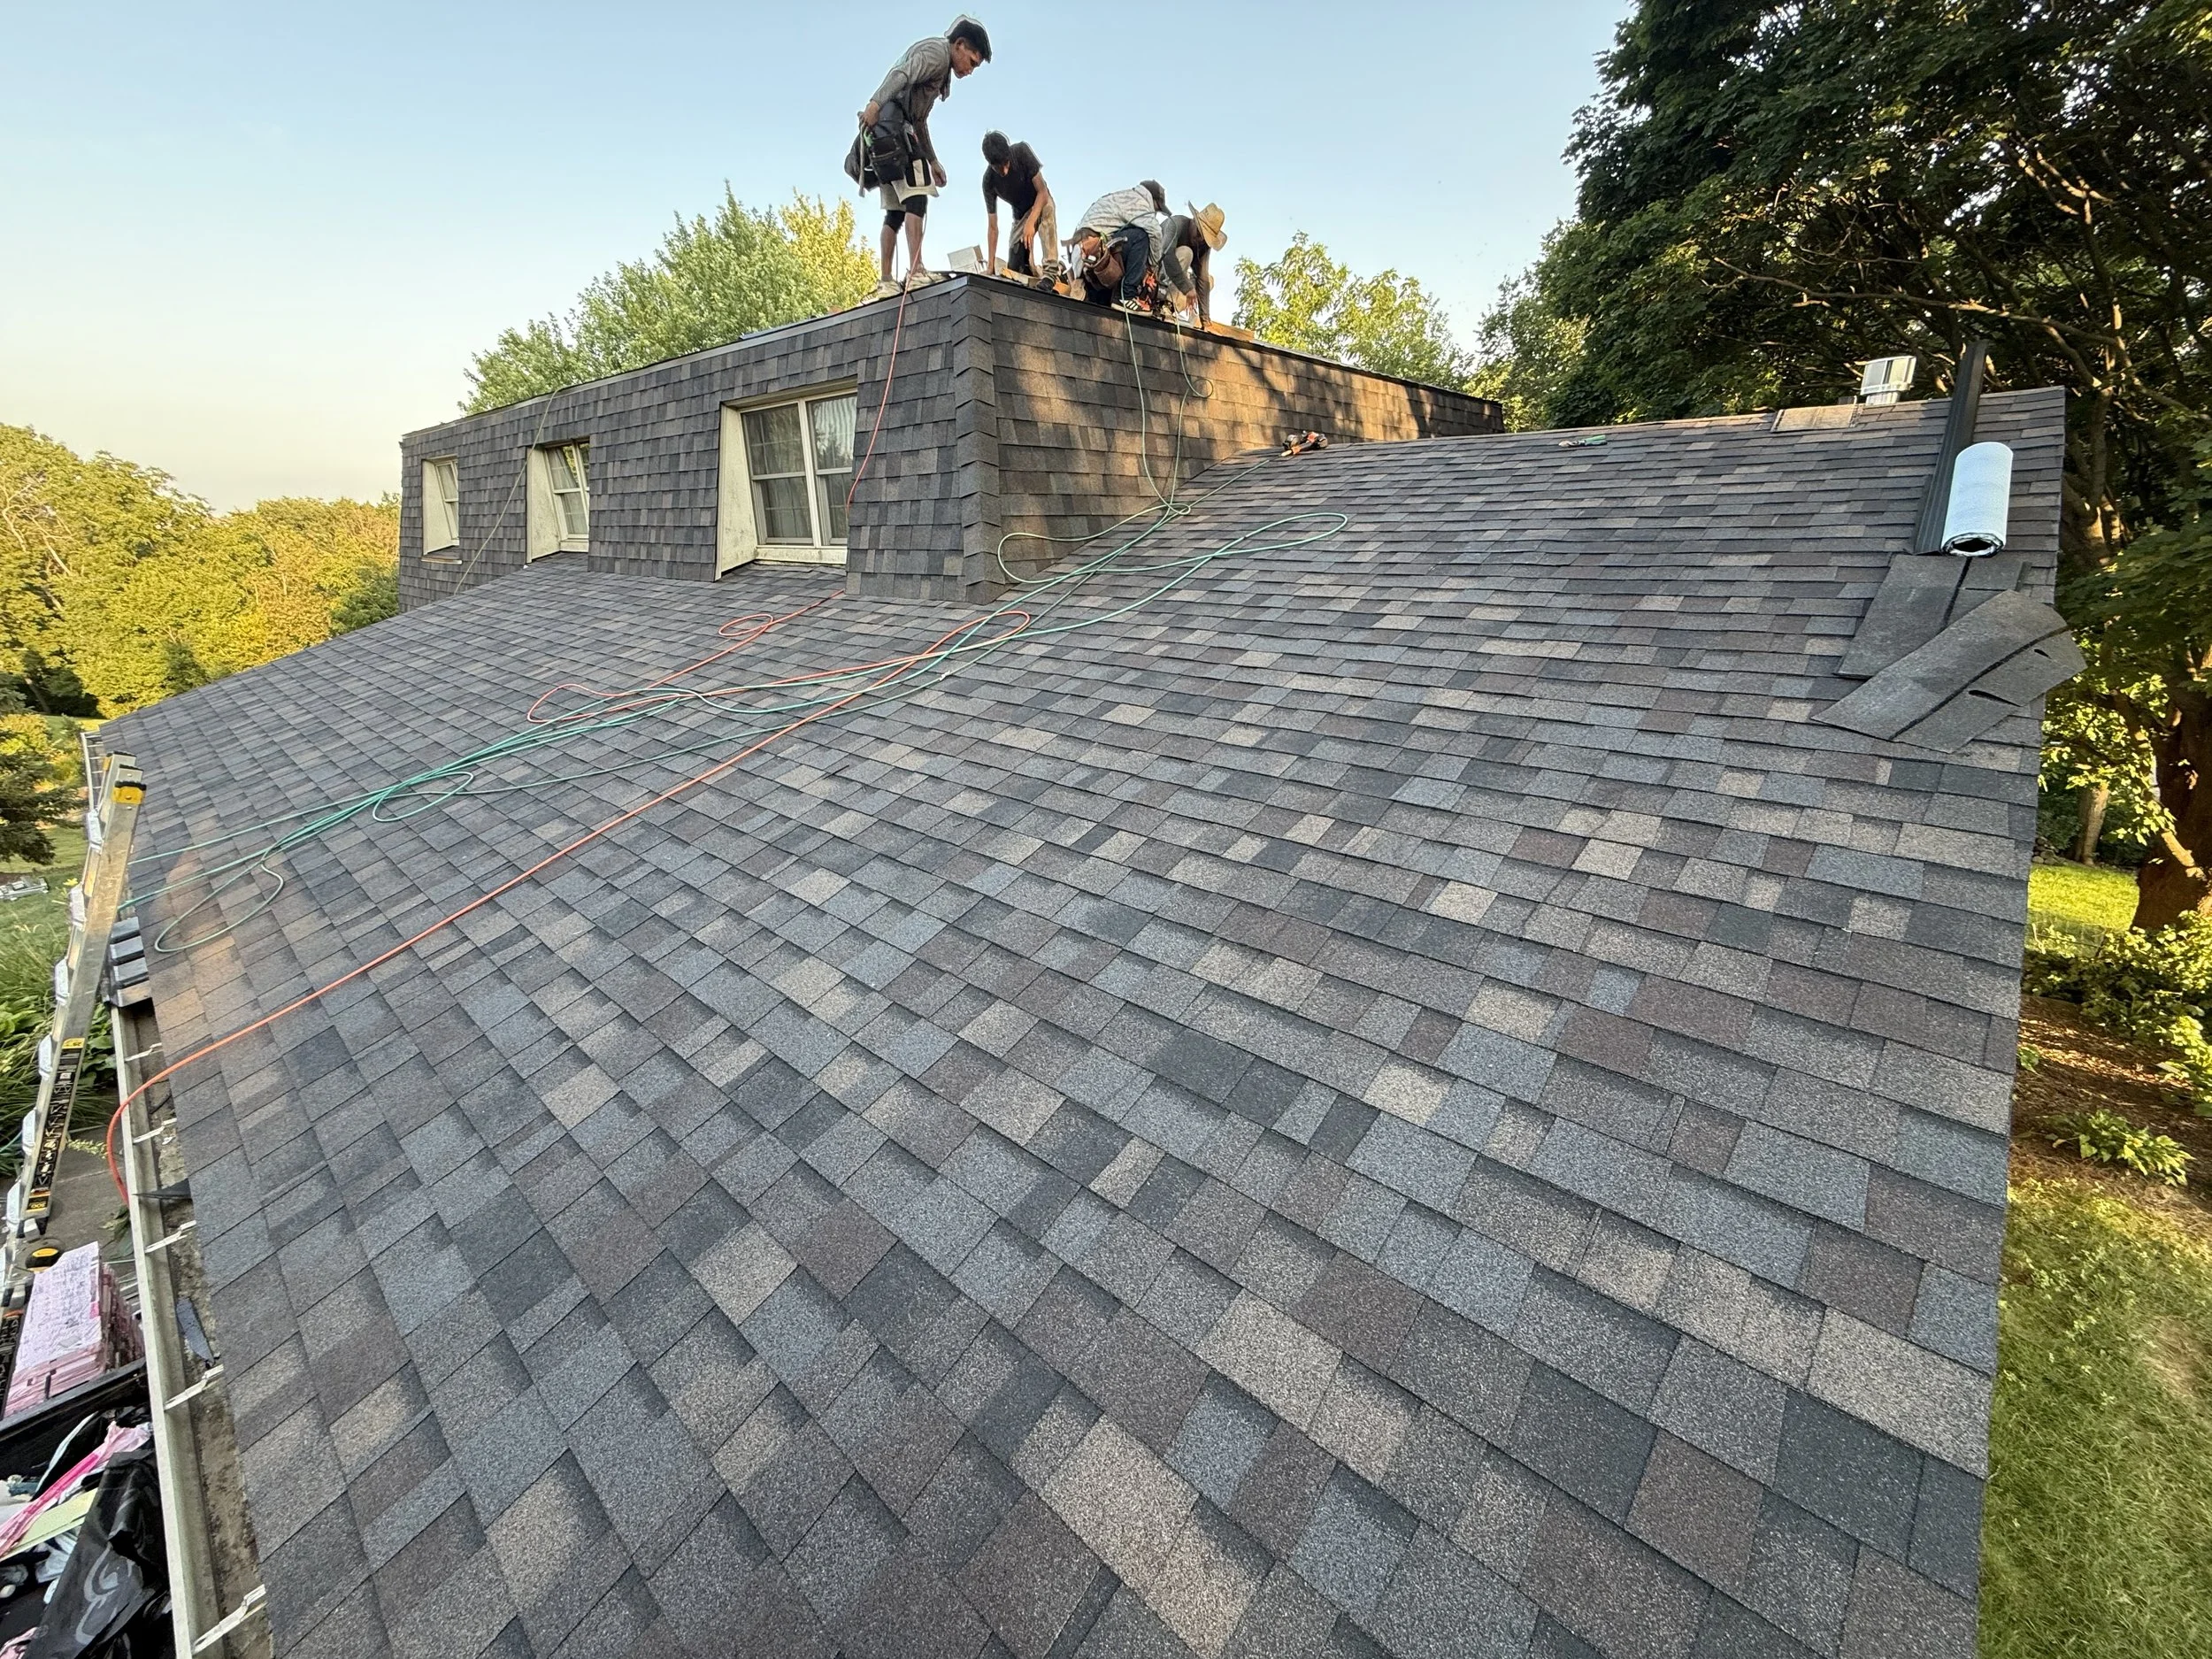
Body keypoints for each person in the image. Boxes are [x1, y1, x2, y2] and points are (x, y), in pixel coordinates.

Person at [856, 17, 992, 298]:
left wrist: (932, 160)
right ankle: (916, 272)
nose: (970, 71)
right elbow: (901, 76)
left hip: (886, 135)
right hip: (892, 129)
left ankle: (886, 282)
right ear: (960, 45)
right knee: (917, 195)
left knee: (895, 211)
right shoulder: (936, 54)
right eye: (972, 62)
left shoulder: (942, 71)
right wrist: (875, 102)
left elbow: (920, 121)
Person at [1067, 184, 1167, 314]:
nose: (1154, 214)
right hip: (1093, 251)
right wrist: (1152, 269)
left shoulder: (1121, 198)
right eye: (1157, 209)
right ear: (1152, 200)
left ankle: (1110, 297)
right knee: (1141, 237)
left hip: (1084, 255)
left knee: (1133, 240)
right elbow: (1155, 232)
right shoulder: (1138, 201)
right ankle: (1126, 296)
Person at [981, 131, 1057, 281]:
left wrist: (1031, 222)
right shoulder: (989, 181)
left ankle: (1051, 272)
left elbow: (1042, 192)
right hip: (1020, 216)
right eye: (998, 168)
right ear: (991, 164)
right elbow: (992, 227)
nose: (1004, 171)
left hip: (1039, 202)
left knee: (1048, 207)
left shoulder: (1021, 152)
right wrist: (990, 266)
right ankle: (1034, 271)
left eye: (1006, 164)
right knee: (1016, 266)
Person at [1156, 204, 1226, 326]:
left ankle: (1171, 307)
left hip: (1176, 284)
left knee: (1209, 280)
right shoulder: (1177, 224)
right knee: (1186, 253)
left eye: (1204, 238)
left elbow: (1203, 280)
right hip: (1155, 274)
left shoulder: (1203, 245)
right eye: (1199, 233)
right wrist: (1187, 288)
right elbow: (1167, 255)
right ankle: (1163, 303)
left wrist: (1205, 318)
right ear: (1194, 221)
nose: (1199, 239)